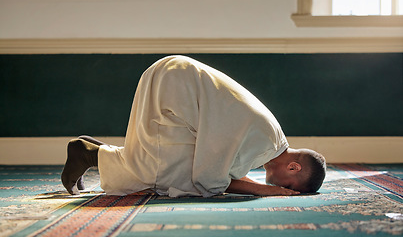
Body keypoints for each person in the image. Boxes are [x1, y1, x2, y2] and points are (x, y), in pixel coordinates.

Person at [61, 55, 326, 197]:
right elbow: (209, 179)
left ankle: (94, 151)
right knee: (170, 176)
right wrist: (264, 190)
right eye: (289, 187)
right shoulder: (264, 141)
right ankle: (87, 153)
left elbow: (219, 173)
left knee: (162, 163)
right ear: (293, 167)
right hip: (174, 84)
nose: (282, 190)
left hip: (174, 77)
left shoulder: (269, 140)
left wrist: (263, 188)